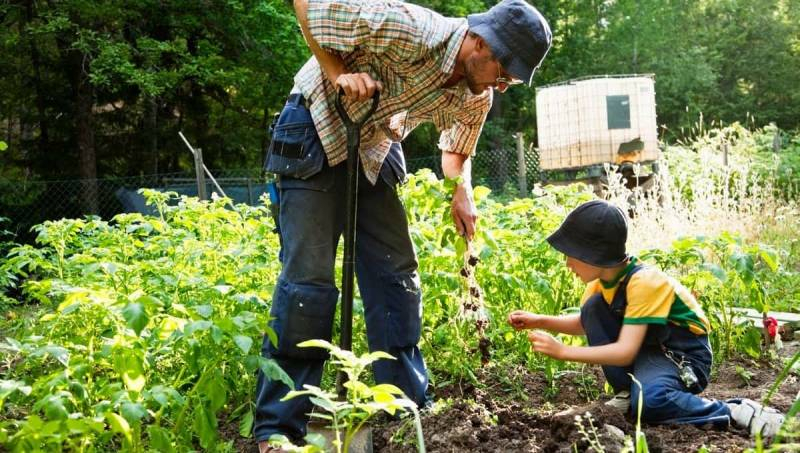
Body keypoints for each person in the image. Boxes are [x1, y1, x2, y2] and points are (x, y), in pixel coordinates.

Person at [255, 0, 552, 450]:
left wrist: (461, 191)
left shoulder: (478, 93)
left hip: (374, 141)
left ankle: (405, 407)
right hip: (316, 125)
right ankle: (278, 427)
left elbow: (456, 148)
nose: (504, 85)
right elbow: (306, 6)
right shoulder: (408, 26)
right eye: (504, 71)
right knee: (308, 285)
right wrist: (339, 74)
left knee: (396, 278)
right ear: (479, 43)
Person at [507, 200, 786, 438]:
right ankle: (630, 394)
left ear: (593, 255)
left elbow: (625, 350)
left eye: (571, 255)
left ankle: (735, 411)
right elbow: (585, 324)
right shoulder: (601, 283)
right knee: (592, 309)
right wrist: (539, 320)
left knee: (652, 402)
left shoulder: (644, 282)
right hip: (649, 352)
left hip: (683, 356)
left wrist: (564, 352)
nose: (568, 264)